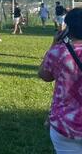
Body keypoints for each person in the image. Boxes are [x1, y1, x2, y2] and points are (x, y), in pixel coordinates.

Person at [39, 8, 82, 152]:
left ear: (68, 28)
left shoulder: (59, 52)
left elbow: (44, 75)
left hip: (65, 126)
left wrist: (54, 44)